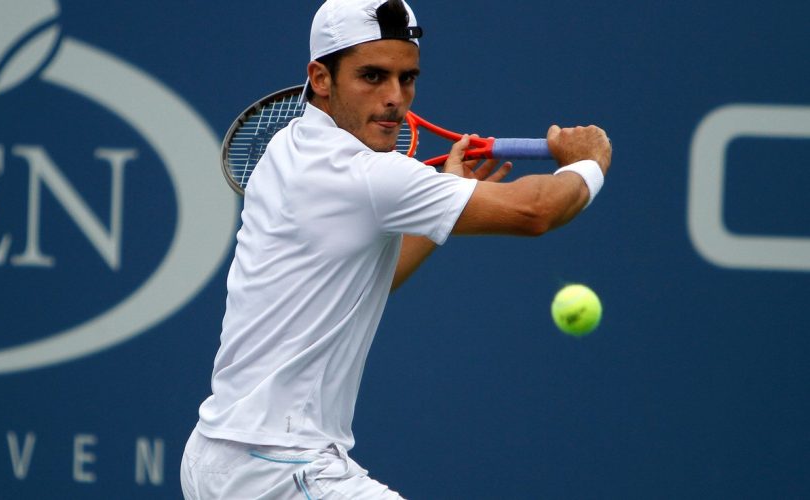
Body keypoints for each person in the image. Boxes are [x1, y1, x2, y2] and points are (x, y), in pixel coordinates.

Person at [181, 0, 612, 498]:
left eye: (407, 78)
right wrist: (589, 162)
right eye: (372, 76)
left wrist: (437, 210)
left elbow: (367, 282)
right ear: (320, 78)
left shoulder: (286, 145)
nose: (395, 98)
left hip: (219, 455)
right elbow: (535, 210)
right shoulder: (367, 174)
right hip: (278, 465)